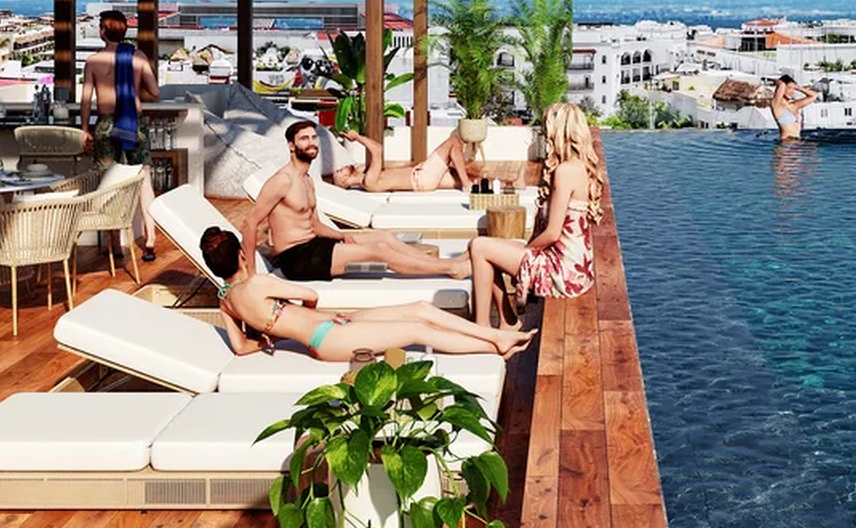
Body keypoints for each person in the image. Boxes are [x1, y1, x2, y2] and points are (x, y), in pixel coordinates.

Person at [199, 227, 526, 359]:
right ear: (242, 254)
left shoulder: (226, 300)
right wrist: (298, 320)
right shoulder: (257, 284)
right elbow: (310, 294)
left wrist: (269, 338)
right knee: (417, 329)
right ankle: (494, 347)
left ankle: (492, 335)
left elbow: (241, 347)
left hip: (331, 328)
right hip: (327, 338)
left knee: (420, 308)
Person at [245, 120, 471, 280]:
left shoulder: (307, 181)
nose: (312, 142)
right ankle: (451, 268)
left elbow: (314, 225)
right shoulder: (282, 181)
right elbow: (250, 223)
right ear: (291, 146)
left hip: (314, 245)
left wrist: (343, 235)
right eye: (304, 139)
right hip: (297, 259)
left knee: (385, 238)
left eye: (314, 137)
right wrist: (252, 275)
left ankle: (446, 264)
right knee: (379, 251)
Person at [467, 103, 605, 327]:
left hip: (563, 271)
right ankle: (506, 321)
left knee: (480, 247)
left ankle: (482, 328)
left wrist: (524, 251)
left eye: (546, 130)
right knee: (488, 247)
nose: (544, 136)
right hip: (576, 268)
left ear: (558, 133)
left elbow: (552, 234)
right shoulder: (580, 167)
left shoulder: (565, 171)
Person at [80, 9, 159, 261]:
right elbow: (155, 91)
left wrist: (84, 128)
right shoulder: (136, 57)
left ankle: (113, 243)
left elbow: (86, 99)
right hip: (133, 123)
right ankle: (151, 237)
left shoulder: (93, 61)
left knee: (108, 182)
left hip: (104, 123)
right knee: (144, 179)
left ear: (103, 31)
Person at [330, 127, 478, 193]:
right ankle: (466, 185)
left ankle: (498, 185)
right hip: (422, 178)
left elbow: (376, 148)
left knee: (466, 177)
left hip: (421, 176)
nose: (341, 167)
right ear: (343, 180)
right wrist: (357, 138)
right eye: (339, 171)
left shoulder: (365, 175)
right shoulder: (368, 181)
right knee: (454, 141)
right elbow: (378, 150)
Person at [770, 74, 819, 141]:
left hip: (796, 143)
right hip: (785, 144)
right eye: (789, 88)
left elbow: (814, 95)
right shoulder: (776, 105)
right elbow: (782, 85)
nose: (792, 92)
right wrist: (778, 82)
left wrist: (797, 87)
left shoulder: (794, 105)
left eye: (794, 89)